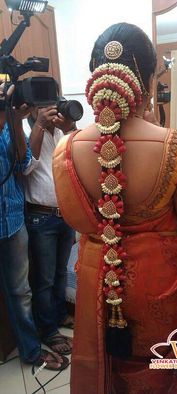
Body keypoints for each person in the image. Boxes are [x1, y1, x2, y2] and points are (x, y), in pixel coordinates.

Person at [53, 23, 177, 394]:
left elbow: (77, 224)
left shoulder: (66, 150)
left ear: (95, 75)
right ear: (149, 79)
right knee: (160, 368)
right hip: (159, 282)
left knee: (104, 371)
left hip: (96, 284)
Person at [0, 81, 69, 371]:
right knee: (38, 283)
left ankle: (35, 343)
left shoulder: (10, 128)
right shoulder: (28, 129)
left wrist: (13, 119)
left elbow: (23, 162)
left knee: (24, 289)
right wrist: (28, 124)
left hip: (13, 219)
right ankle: (41, 336)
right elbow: (29, 168)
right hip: (36, 215)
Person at [23, 105, 76, 355]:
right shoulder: (26, 130)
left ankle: (58, 315)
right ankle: (47, 330)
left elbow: (78, 161)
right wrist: (40, 126)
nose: (51, 109)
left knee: (60, 273)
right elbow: (27, 166)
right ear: (33, 108)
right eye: (43, 105)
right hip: (41, 217)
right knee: (43, 279)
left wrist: (70, 129)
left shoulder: (59, 134)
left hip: (64, 214)